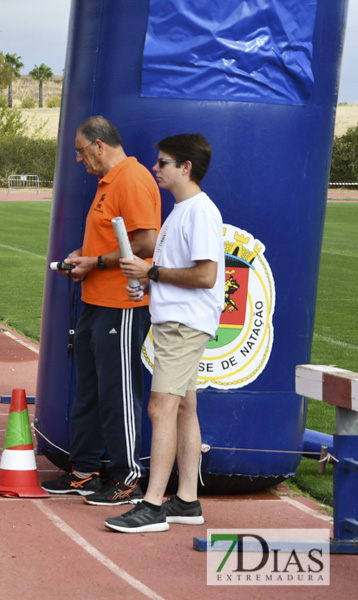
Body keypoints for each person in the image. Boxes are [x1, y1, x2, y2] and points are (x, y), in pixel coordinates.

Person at [105, 134, 224, 533]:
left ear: (185, 167)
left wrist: (151, 272)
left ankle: (153, 503)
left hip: (183, 325)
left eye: (163, 162)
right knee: (185, 407)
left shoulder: (199, 212)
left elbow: (206, 276)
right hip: (176, 321)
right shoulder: (181, 211)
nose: (156, 168)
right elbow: (181, 273)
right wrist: (149, 283)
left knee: (160, 409)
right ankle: (186, 501)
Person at [40, 116, 160, 505]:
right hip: (96, 300)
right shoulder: (109, 182)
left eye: (79, 150)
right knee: (89, 393)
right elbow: (115, 239)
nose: (78, 159)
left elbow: (145, 241)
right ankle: (84, 471)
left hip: (122, 304)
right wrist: (84, 258)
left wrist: (98, 263)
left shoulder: (132, 178)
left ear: (98, 146)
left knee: (119, 393)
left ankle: (128, 478)